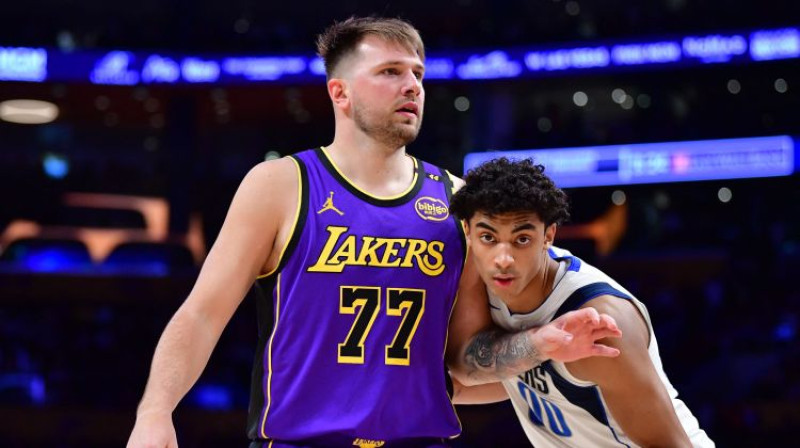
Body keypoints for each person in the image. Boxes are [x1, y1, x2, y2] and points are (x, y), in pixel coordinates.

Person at [126, 17, 622, 448]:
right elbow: (203, 314)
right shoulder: (281, 186)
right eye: (390, 72)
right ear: (339, 92)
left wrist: (544, 346)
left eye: (418, 74)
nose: (412, 86)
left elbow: (466, 362)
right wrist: (154, 410)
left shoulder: (458, 199)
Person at [448, 157, 715, 447]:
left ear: (548, 235)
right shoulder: (481, 276)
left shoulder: (599, 323)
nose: (503, 259)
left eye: (522, 239)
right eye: (488, 237)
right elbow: (464, 378)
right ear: (468, 232)